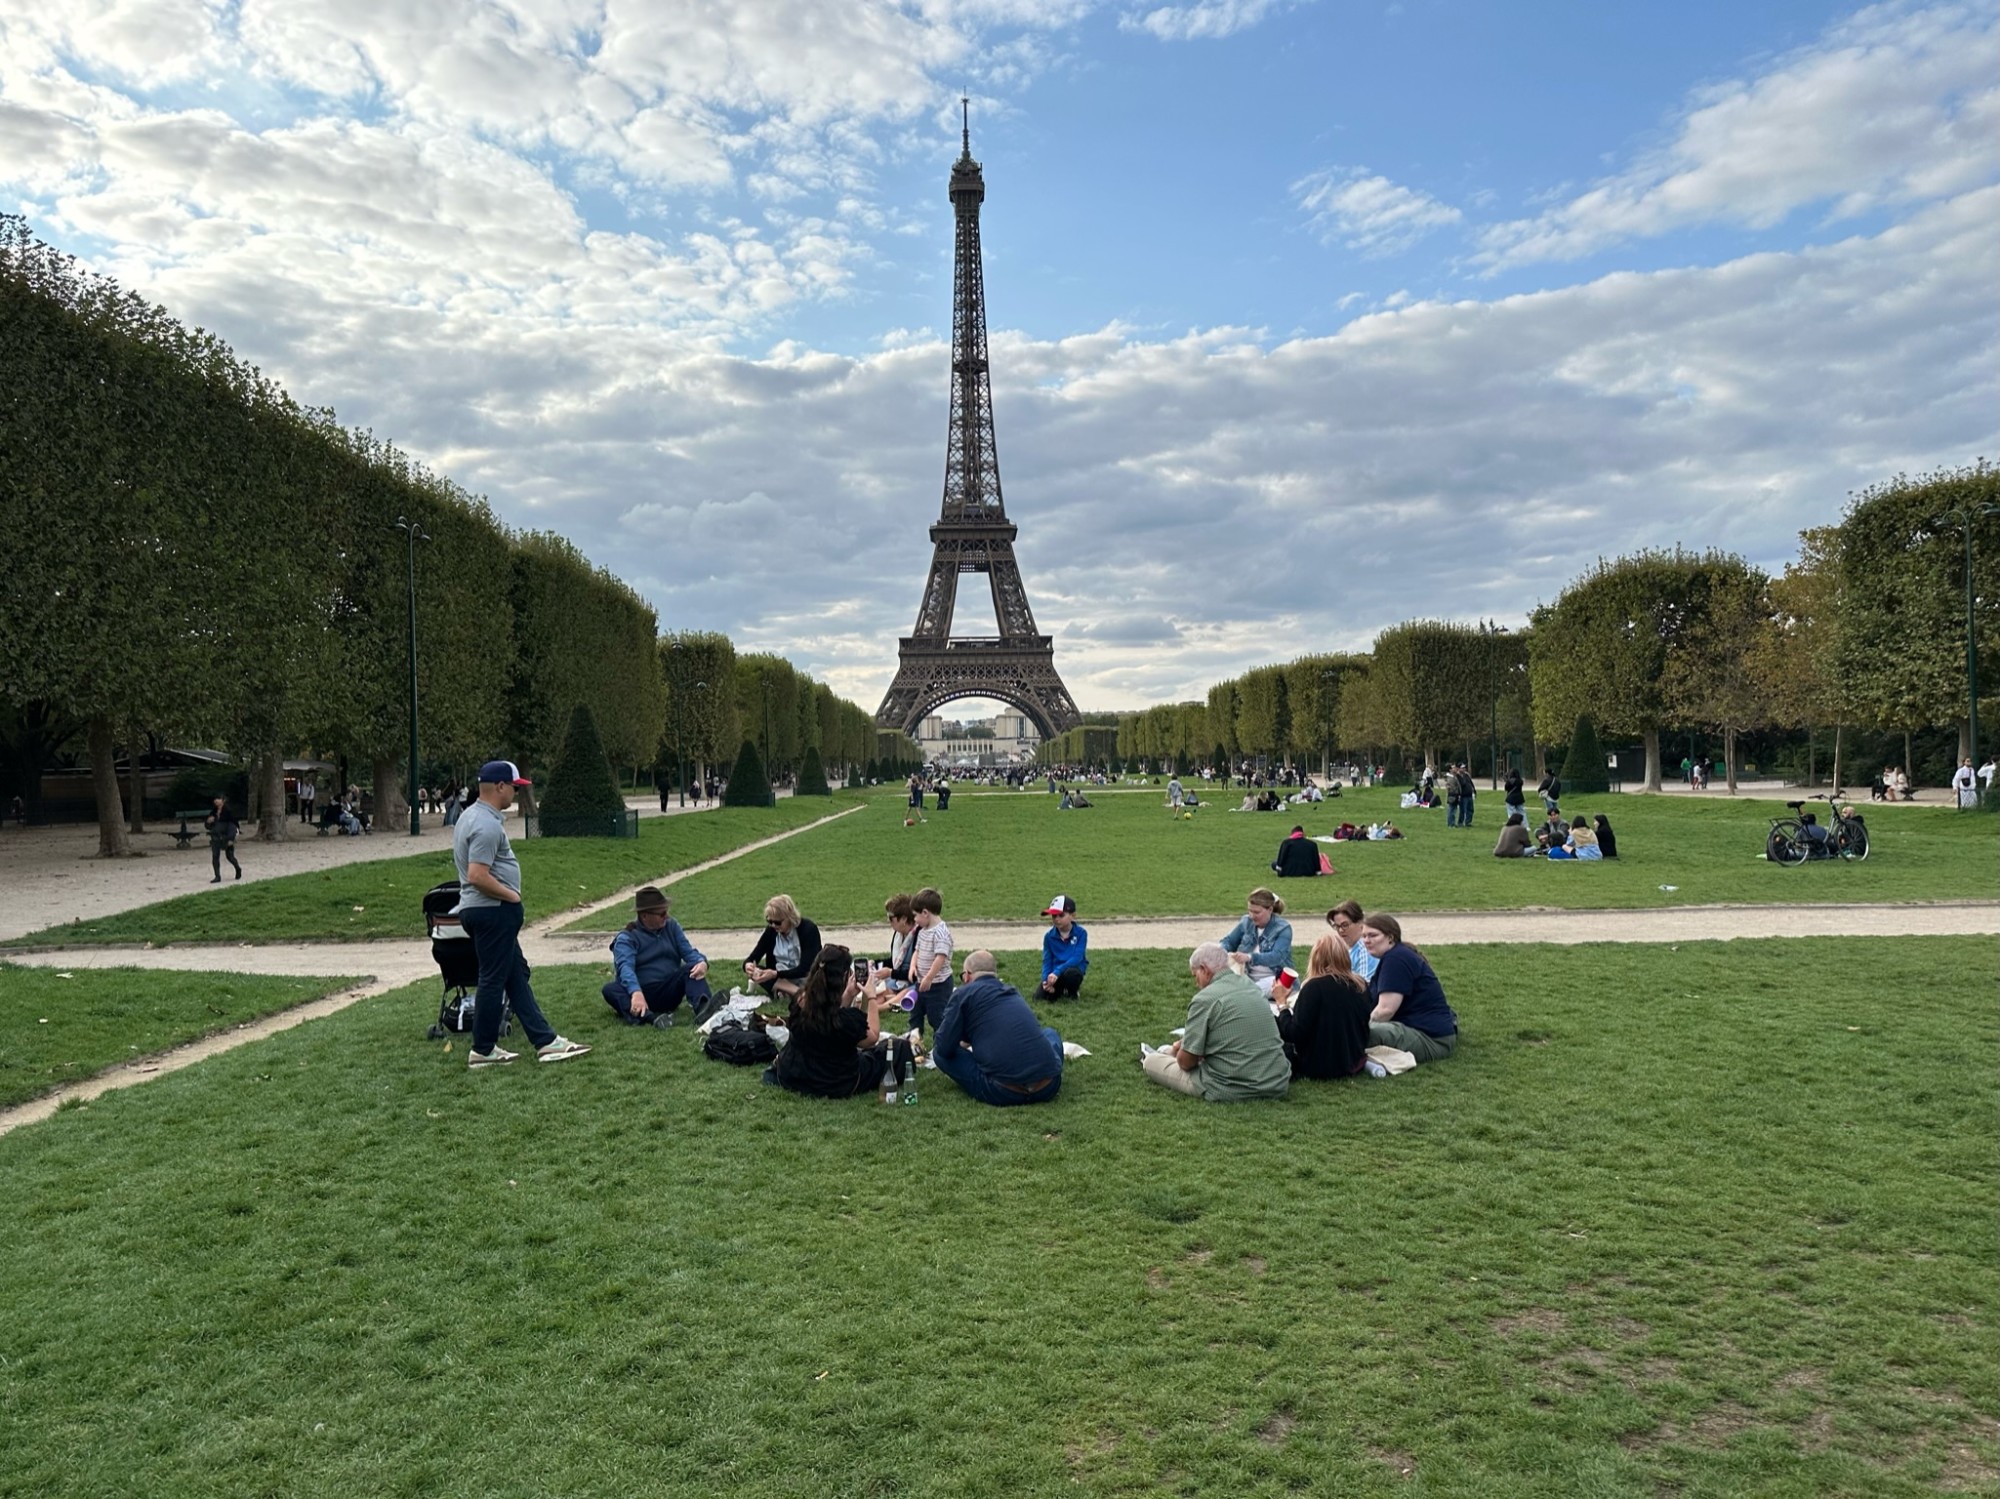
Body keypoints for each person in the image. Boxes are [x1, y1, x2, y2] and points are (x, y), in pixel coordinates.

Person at [453, 759, 591, 1068]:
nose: (516, 793)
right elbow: (477, 874)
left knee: (515, 978)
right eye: (514, 788)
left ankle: (545, 1041)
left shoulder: (471, 816)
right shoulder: (486, 824)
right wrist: (511, 896)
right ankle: (483, 1049)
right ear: (500, 787)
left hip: (485, 911)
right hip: (492, 912)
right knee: (492, 979)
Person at [1141, 942, 1290, 1101]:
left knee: (1151, 1061)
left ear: (1204, 969)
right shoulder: (1251, 987)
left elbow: (1186, 1062)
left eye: (1195, 975)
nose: (1195, 982)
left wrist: (1182, 1047)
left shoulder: (1204, 999)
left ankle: (1160, 1054)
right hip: (1276, 1082)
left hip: (1228, 1086)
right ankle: (1167, 1051)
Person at [772, 945, 908, 1099]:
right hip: (834, 1081)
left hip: (795, 1073)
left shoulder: (801, 1000)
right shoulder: (843, 1021)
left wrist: (849, 994)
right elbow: (872, 1038)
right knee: (898, 1048)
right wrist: (870, 997)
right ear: (844, 977)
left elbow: (833, 1017)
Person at [931, 951, 1064, 1105]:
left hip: (1004, 1092)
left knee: (939, 1054)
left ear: (967, 975)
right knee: (1050, 1033)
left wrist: (961, 1037)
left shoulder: (963, 994)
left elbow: (943, 1046)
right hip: (1048, 1087)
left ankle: (1011, 1082)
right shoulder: (1012, 992)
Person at [602, 886, 713, 1027]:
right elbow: (625, 968)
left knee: (692, 968)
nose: (666, 916)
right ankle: (650, 1017)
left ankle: (704, 1009)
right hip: (641, 992)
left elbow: (689, 952)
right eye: (662, 914)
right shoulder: (627, 937)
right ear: (644, 916)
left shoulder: (671, 926)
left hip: (668, 988)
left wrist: (701, 962)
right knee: (610, 989)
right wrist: (636, 992)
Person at [1359, 914, 1457, 1064]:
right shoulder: (1396, 955)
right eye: (1364, 936)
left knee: (1359, 1034)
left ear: (1390, 938)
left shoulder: (1396, 959)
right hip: (1420, 1030)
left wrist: (1359, 1025)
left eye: (1373, 935)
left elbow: (1386, 1010)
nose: (1366, 940)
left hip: (1432, 1039)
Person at [1276, 934, 1372, 1081]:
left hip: (1318, 1066)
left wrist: (1282, 1003)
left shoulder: (1314, 987)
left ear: (1316, 958)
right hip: (1353, 1060)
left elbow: (1294, 1033)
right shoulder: (1361, 985)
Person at [744, 894, 821, 1001]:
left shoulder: (808, 929)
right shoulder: (771, 931)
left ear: (789, 917)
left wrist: (775, 974)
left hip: (804, 977)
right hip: (780, 978)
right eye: (770, 921)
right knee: (757, 972)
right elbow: (753, 957)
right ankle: (796, 993)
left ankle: (788, 992)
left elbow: (806, 968)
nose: (773, 925)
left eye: (778, 922)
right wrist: (748, 966)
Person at [1218, 888, 1294, 994]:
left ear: (1270, 910)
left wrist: (1249, 957)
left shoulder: (1283, 928)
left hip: (1276, 978)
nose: (1252, 916)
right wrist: (1219, 950)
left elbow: (1277, 957)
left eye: (1257, 912)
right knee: (1222, 986)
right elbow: (1229, 942)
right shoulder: (1246, 922)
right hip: (1247, 976)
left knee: (1247, 993)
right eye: (1250, 911)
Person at [908, 886, 954, 1043]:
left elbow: (940, 958)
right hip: (921, 983)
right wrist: (913, 966)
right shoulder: (922, 931)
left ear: (925, 913)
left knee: (938, 1018)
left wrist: (928, 978)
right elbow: (917, 951)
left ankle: (940, 1049)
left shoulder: (941, 933)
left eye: (915, 916)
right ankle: (915, 1043)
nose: (914, 920)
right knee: (915, 1014)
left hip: (938, 986)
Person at [1038, 894, 1088, 1000]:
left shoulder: (1081, 933)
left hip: (1070, 970)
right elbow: (1047, 960)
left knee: (1072, 974)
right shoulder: (1049, 936)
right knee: (1040, 997)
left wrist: (1057, 972)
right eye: (1053, 916)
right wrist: (1045, 980)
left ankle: (1072, 991)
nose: (1056, 919)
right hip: (1055, 974)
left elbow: (1077, 957)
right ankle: (1059, 989)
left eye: (1061, 915)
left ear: (1072, 915)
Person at [1325, 900, 1379, 980]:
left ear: (1360, 923)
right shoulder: (1343, 948)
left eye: (1345, 925)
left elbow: (1365, 986)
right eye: (1337, 926)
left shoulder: (1365, 950)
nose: (1340, 930)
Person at [881, 892, 919, 985]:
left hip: (914, 984)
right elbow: (895, 961)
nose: (888, 921)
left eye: (890, 918)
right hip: (899, 981)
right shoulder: (898, 935)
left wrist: (891, 973)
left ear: (904, 919)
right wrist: (875, 964)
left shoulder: (919, 937)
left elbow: (916, 974)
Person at [204, 794, 242, 883]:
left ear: (223, 800)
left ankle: (238, 868)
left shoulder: (228, 811)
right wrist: (208, 822)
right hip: (215, 837)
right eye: (215, 799)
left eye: (218, 799)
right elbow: (208, 826)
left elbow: (234, 826)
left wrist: (231, 839)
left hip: (226, 836)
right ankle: (217, 876)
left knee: (230, 857)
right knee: (215, 857)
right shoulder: (213, 812)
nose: (216, 801)